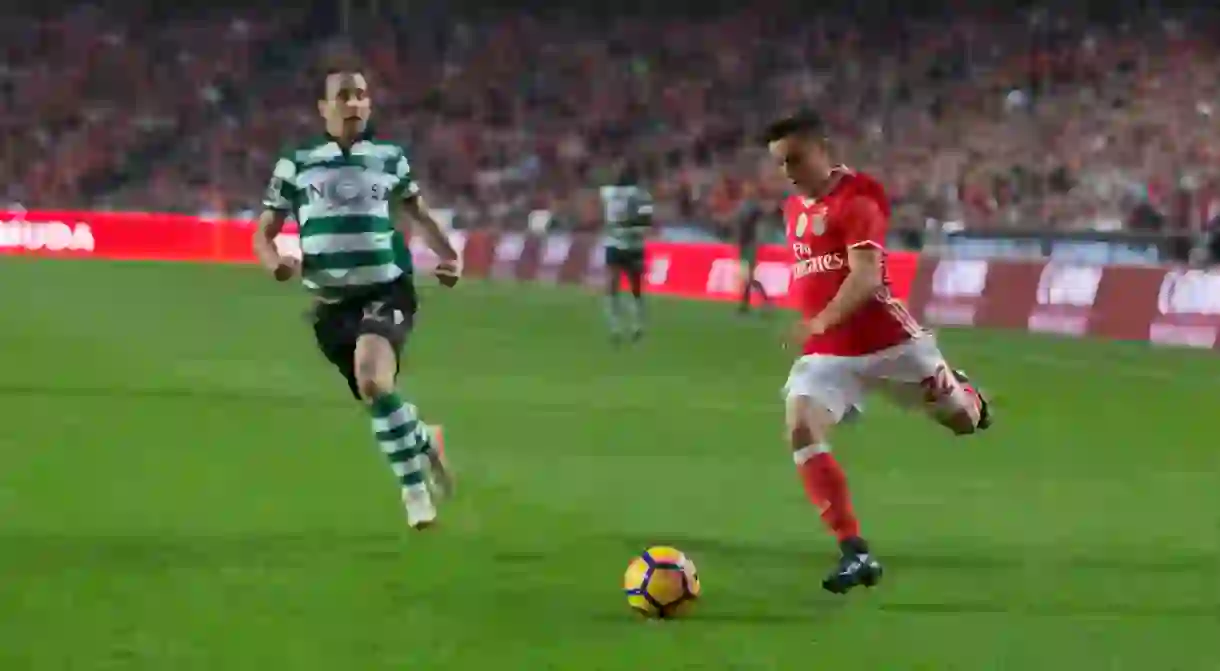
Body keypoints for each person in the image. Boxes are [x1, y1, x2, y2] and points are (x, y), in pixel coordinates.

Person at [762, 112, 993, 594]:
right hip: (829, 356)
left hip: (892, 344)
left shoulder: (860, 196)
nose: (788, 172)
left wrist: (820, 318)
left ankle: (966, 391)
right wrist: (818, 327)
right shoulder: (792, 210)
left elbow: (866, 275)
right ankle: (855, 551)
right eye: (780, 164)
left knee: (963, 422)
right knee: (801, 426)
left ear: (822, 149)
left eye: (795, 159)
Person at [252, 60, 460, 530]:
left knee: (371, 379)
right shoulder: (297, 164)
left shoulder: (390, 159)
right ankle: (425, 438)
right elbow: (264, 232)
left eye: (361, 94)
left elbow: (420, 214)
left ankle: (414, 494)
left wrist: (451, 257)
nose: (354, 103)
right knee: (378, 396)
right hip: (331, 306)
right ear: (323, 107)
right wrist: (275, 263)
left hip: (386, 289)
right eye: (344, 95)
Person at [599, 165, 653, 343]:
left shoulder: (607, 193)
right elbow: (646, 222)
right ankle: (637, 325)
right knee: (635, 286)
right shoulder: (642, 196)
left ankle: (615, 327)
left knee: (612, 285)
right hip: (634, 246)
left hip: (614, 244)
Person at [734, 182, 772, 314]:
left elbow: (760, 225)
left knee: (748, 277)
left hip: (750, 245)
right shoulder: (742, 206)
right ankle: (748, 305)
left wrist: (758, 241)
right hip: (743, 245)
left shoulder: (754, 208)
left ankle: (761, 302)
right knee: (746, 278)